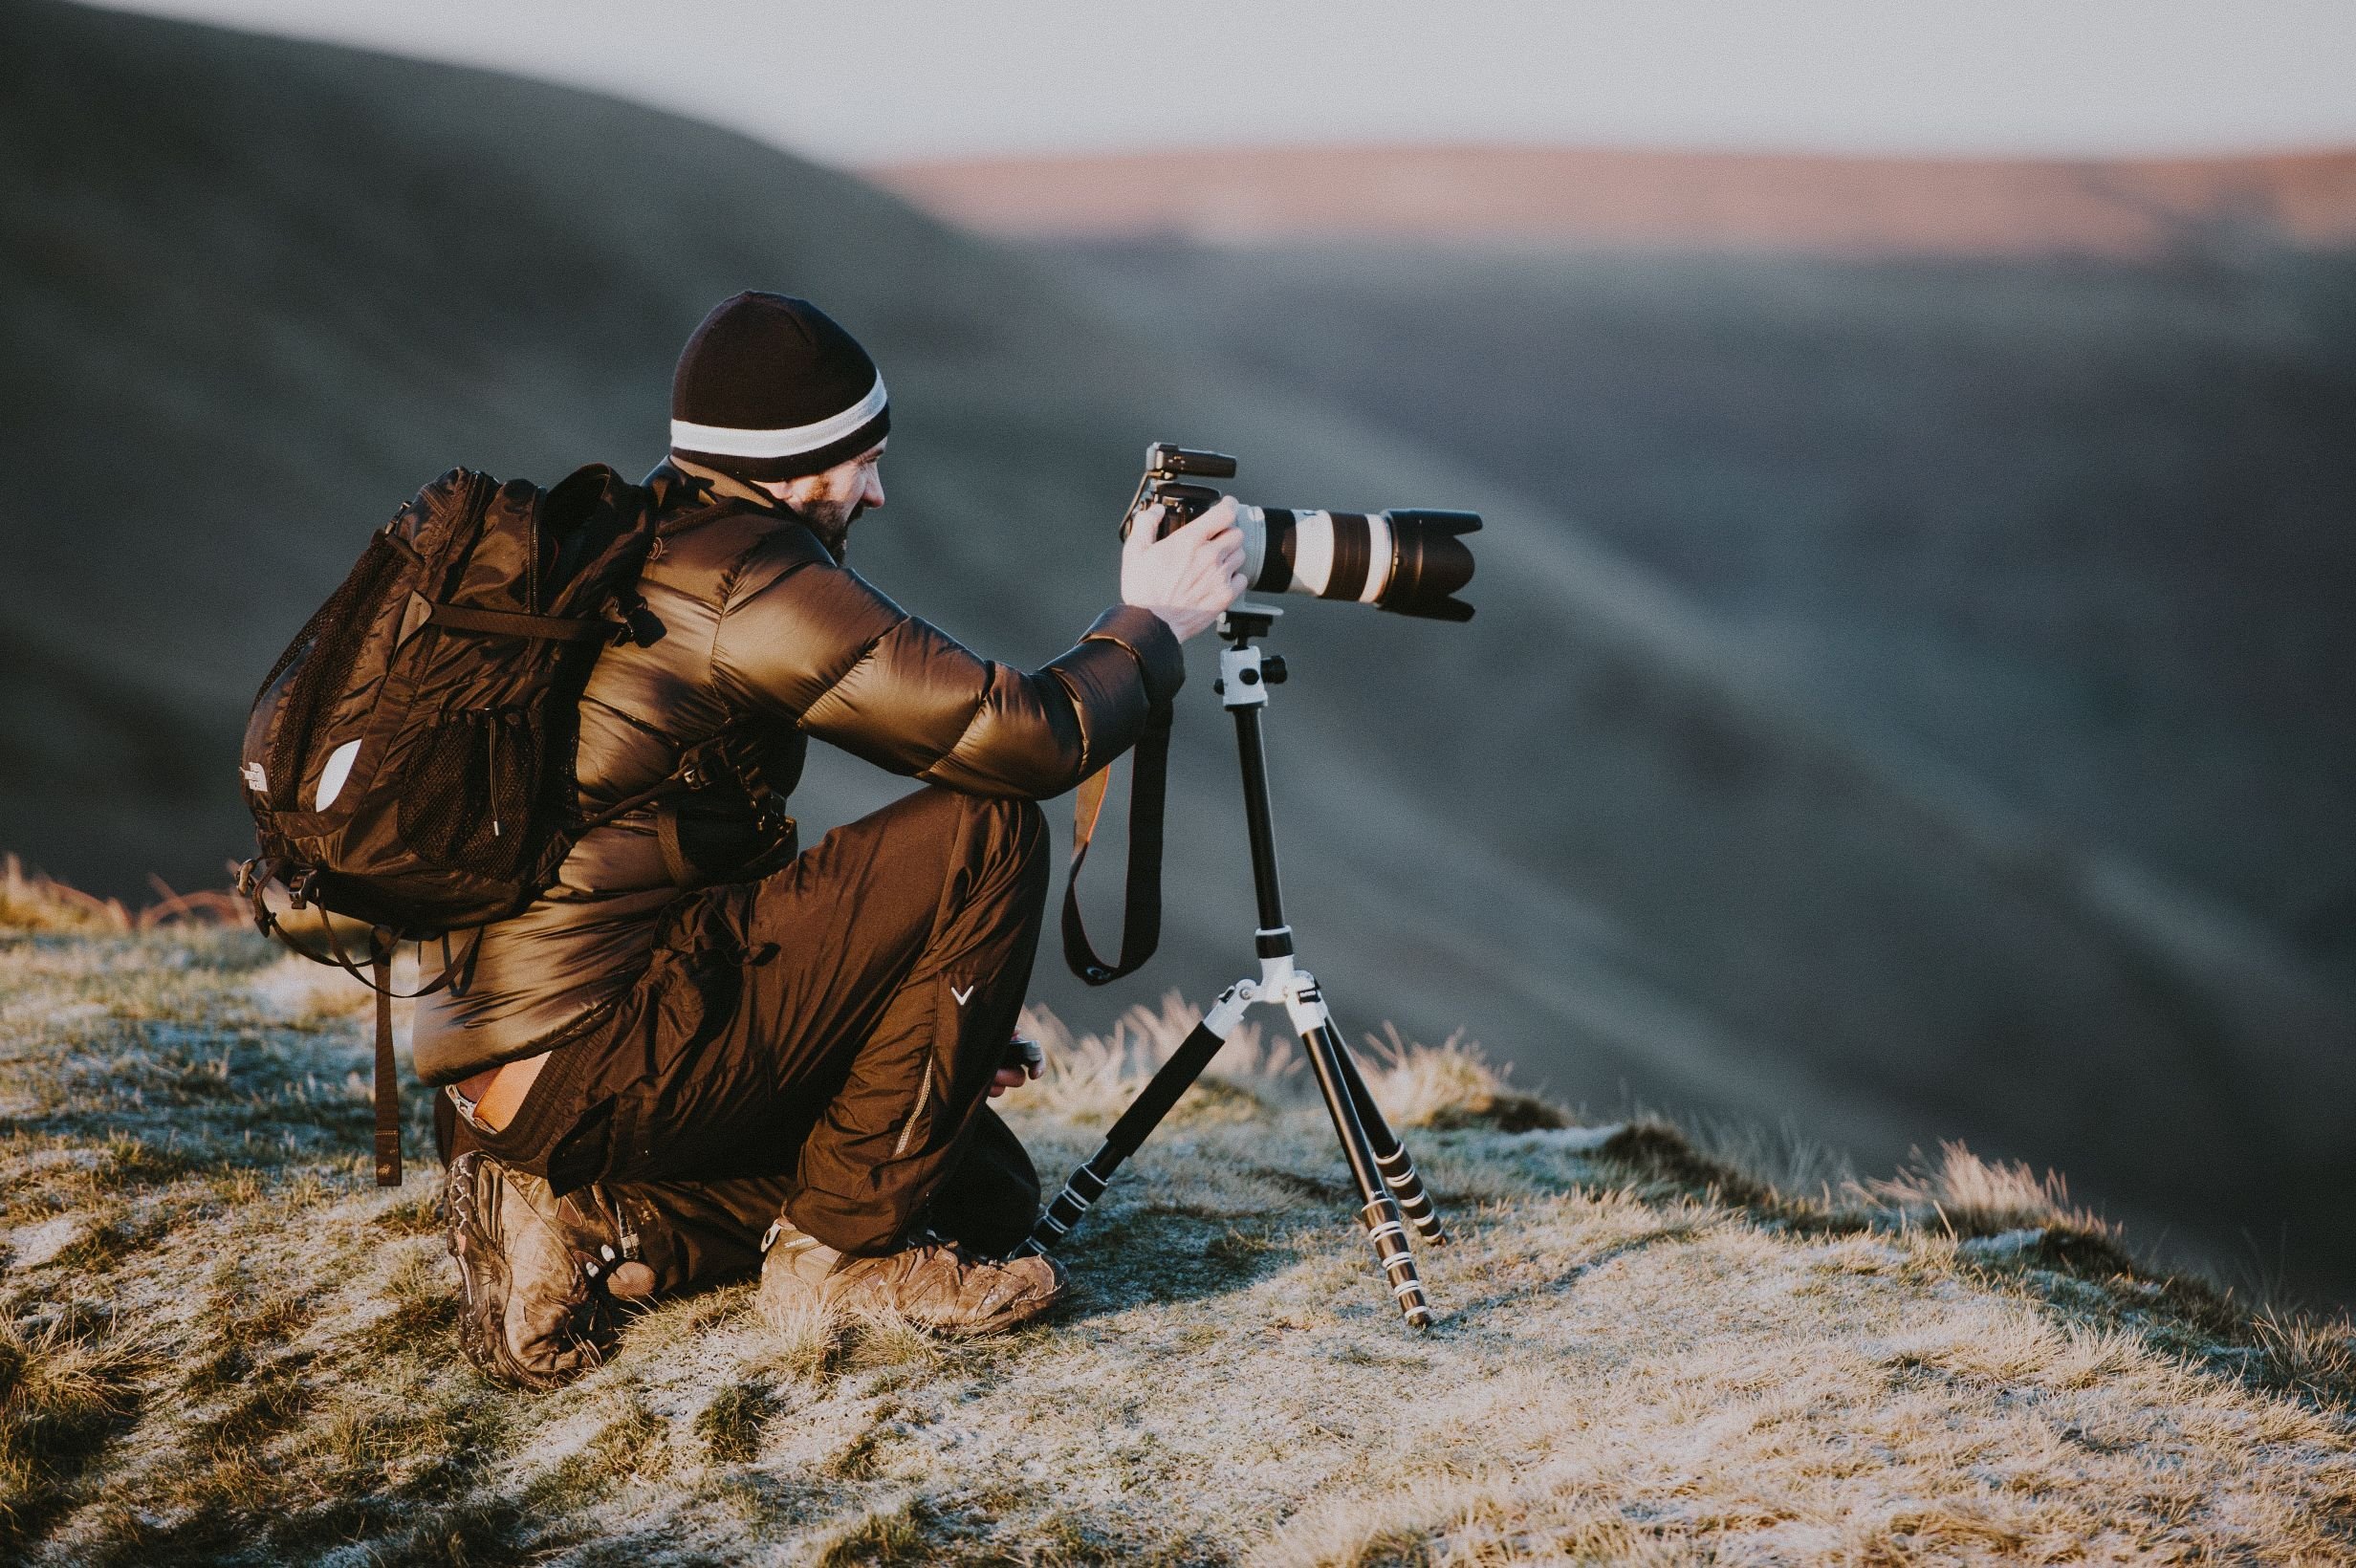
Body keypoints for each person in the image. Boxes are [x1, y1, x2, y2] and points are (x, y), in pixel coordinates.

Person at [421, 292, 1245, 1387]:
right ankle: (842, 1264)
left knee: (977, 1182)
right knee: (985, 829)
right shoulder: (746, 579)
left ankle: (597, 1224)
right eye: (863, 459)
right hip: (598, 1050)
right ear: (800, 461)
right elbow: (1019, 737)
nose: (877, 487)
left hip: (501, 1068)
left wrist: (895, 1011)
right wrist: (1151, 621)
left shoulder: (638, 546)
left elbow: (683, 863)